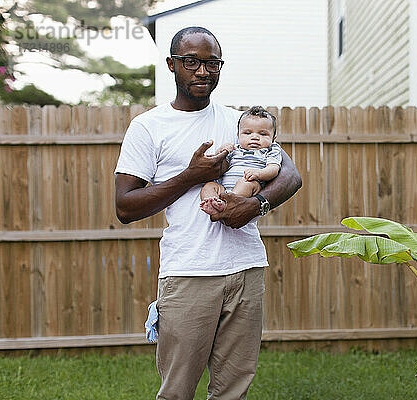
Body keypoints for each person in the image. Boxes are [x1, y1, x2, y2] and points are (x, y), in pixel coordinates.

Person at [114, 26, 301, 400]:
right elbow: (125, 205)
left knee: (233, 390)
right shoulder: (148, 127)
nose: (202, 71)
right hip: (189, 271)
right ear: (172, 65)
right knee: (177, 391)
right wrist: (191, 176)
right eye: (192, 62)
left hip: (245, 269)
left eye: (212, 63)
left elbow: (291, 174)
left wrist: (255, 205)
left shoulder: (239, 121)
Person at [200, 106, 281, 215]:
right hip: (225, 188)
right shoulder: (235, 149)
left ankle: (229, 204)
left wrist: (258, 174)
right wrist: (221, 153)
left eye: (262, 134)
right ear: (238, 135)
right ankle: (212, 203)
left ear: (273, 138)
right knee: (209, 186)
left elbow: (274, 168)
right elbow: (221, 167)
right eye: (248, 133)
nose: (255, 137)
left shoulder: (270, 149)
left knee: (245, 183)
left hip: (250, 185)